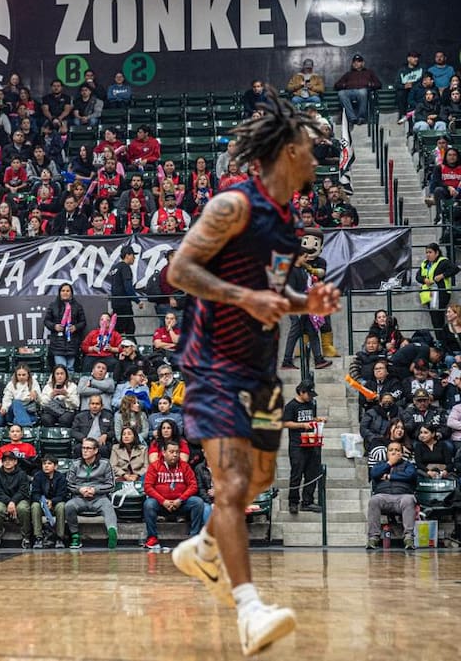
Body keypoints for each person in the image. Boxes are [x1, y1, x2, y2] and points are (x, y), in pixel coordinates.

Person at [165, 94, 340, 655]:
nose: (319, 158)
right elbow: (180, 269)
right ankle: (249, 610)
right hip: (215, 363)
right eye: (312, 150)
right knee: (233, 486)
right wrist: (243, 296)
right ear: (290, 151)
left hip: (262, 371)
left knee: (258, 482)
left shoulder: (289, 222)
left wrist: (303, 301)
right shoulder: (231, 207)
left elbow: (273, 293)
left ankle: (203, 548)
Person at [64, 438, 118, 549]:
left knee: (108, 506)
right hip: (80, 498)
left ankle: (112, 532)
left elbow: (111, 485)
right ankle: (75, 535)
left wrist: (95, 490)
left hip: (99, 497)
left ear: (96, 450)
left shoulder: (105, 464)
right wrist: (80, 490)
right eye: (83, 448)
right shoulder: (75, 464)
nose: (85, 451)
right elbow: (69, 484)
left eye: (88, 448)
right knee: (69, 506)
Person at [281, 381, 325, 515]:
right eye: (308, 394)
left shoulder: (311, 404)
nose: (311, 397)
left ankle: (308, 501)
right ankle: (293, 502)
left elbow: (311, 418)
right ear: (301, 392)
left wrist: (318, 420)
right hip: (297, 444)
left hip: (311, 442)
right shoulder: (291, 406)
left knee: (312, 473)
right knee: (297, 473)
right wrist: (302, 425)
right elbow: (285, 423)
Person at [365, 442, 418, 551]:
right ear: (387, 453)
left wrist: (389, 476)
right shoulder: (380, 465)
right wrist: (389, 463)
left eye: (397, 450)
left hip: (403, 496)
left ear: (402, 453)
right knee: (374, 500)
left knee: (409, 500)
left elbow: (409, 475)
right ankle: (373, 537)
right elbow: (374, 474)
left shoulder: (408, 465)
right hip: (383, 496)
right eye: (391, 450)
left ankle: (408, 538)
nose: (394, 452)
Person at [0, 450, 32, 548]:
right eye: (5, 460)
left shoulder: (22, 474)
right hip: (2, 499)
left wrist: (13, 501)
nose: (7, 462)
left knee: (23, 509)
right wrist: (9, 502)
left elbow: (23, 491)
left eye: (10, 460)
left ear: (15, 462)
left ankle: (26, 536)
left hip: (19, 499)